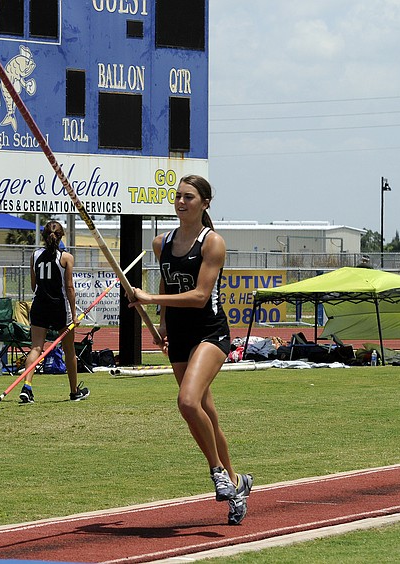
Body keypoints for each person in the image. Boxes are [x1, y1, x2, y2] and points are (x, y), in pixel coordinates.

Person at [129, 174, 253, 525]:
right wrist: (162, 321)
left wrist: (149, 296)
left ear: (205, 203)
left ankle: (217, 472)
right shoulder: (161, 243)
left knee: (187, 402)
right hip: (180, 338)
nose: (181, 202)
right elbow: (170, 283)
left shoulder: (212, 243)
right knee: (207, 414)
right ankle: (237, 484)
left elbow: (199, 297)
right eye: (178, 197)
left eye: (189, 197)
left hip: (210, 333)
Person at [18, 220, 89, 404]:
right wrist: (74, 314)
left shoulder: (35, 255)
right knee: (69, 350)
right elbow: (70, 288)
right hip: (59, 307)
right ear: (61, 237)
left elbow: (33, 285)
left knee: (36, 348)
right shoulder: (66, 257)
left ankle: (27, 386)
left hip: (40, 305)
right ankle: (74, 392)